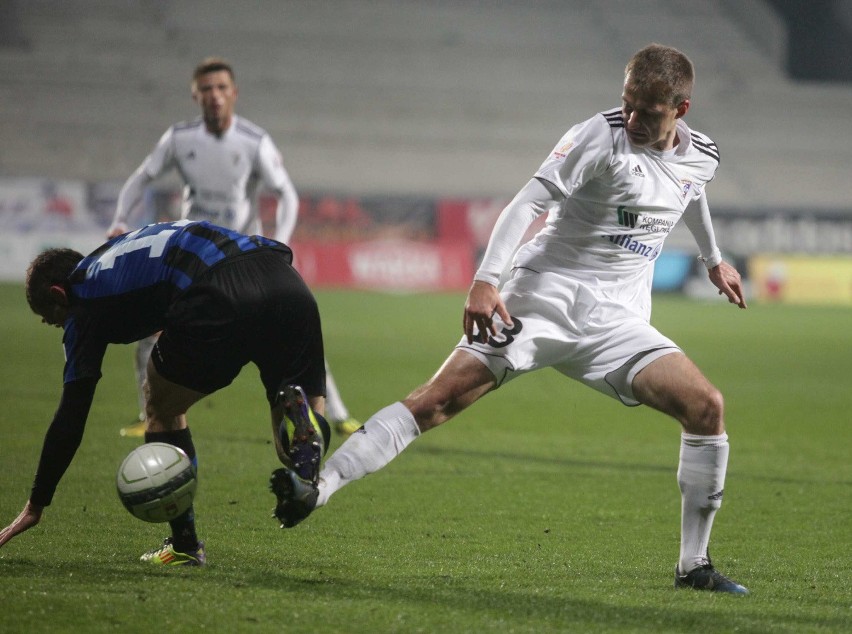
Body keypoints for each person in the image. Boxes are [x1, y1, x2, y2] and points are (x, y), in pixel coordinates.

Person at [270, 44, 750, 594]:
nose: (634, 119)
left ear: (681, 111)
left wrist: (714, 260)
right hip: (542, 296)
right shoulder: (599, 136)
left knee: (706, 407)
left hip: (617, 321)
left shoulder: (702, 154)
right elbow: (527, 203)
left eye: (650, 111)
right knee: (437, 401)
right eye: (628, 104)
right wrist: (487, 279)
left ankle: (694, 567)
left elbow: (691, 191)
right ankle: (318, 486)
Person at [0, 220, 331, 566]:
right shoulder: (113, 254)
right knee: (291, 443)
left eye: (51, 316)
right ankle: (302, 455)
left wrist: (35, 504)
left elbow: (72, 413)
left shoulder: (82, 299)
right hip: (285, 281)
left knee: (158, 403)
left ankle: (185, 545)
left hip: (217, 292)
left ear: (58, 294)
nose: (52, 324)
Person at [107, 57, 360, 438]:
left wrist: (282, 243)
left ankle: (337, 415)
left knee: (298, 330)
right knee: (152, 331)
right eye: (206, 89)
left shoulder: (253, 141)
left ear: (234, 93)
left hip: (243, 258)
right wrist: (119, 222)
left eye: (222, 88)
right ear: (196, 95)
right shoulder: (179, 138)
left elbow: (286, 194)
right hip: (194, 257)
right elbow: (141, 178)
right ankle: (150, 416)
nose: (215, 96)